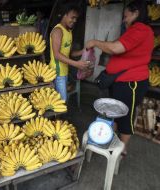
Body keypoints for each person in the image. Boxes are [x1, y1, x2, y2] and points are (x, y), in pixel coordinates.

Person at [86, 1, 154, 156]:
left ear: (136, 13)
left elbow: (116, 48)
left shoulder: (140, 29)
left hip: (131, 83)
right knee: (116, 113)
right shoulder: (135, 30)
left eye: (126, 16)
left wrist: (95, 42)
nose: (124, 20)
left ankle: (121, 151)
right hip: (122, 81)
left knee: (126, 117)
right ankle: (110, 140)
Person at [49, 5, 89, 101]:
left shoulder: (69, 31)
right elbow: (57, 55)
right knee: (62, 102)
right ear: (65, 15)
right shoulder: (58, 31)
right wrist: (76, 64)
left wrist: (83, 51)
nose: (75, 20)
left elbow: (69, 53)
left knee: (61, 101)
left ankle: (59, 116)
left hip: (64, 71)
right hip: (57, 72)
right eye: (72, 17)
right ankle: (59, 116)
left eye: (76, 18)